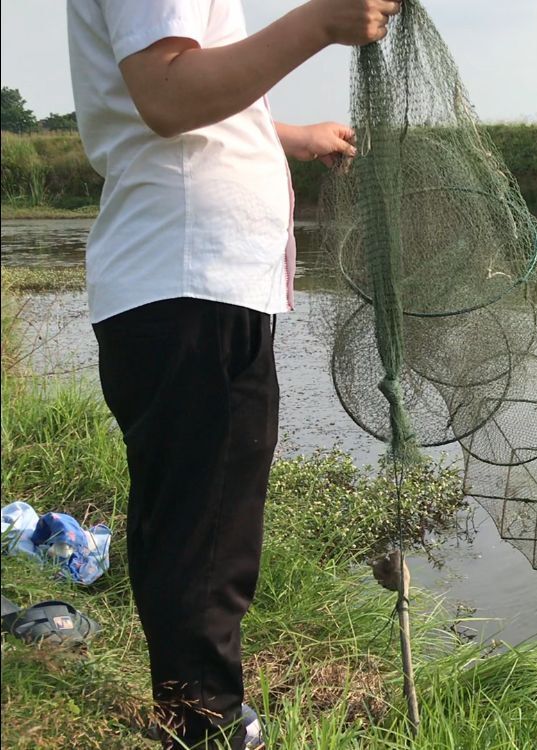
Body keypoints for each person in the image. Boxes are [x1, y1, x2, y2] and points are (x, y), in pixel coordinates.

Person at [66, 1, 402, 747]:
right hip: (191, 282)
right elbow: (168, 95)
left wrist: (285, 135)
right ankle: (205, 726)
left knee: (190, 513)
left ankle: (190, 709)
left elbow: (182, 99)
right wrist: (320, 22)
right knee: (208, 528)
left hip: (191, 281)